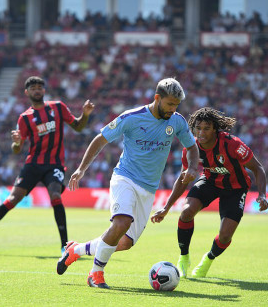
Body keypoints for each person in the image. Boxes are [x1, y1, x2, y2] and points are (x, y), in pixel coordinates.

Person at [56, 78, 199, 289]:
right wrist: (81, 169)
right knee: (121, 224)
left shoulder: (177, 121)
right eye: (170, 104)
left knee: (124, 242)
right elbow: (100, 139)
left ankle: (75, 250)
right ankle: (96, 274)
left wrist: (193, 168)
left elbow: (193, 148)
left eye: (176, 105)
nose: (173, 108)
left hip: (148, 189)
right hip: (125, 178)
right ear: (157, 98)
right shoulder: (132, 117)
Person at [0, 76, 95, 254]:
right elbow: (17, 149)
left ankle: (64, 246)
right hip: (32, 165)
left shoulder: (58, 107)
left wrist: (84, 115)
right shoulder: (25, 118)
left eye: (40, 87)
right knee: (13, 199)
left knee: (55, 195)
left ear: (44, 90)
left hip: (54, 164)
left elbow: (78, 126)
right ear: (27, 92)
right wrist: (16, 142)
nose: (37, 90)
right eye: (33, 88)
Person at [151, 107, 268, 278]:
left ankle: (208, 259)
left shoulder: (233, 144)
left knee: (225, 235)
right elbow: (183, 178)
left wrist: (262, 194)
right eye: (198, 128)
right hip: (210, 181)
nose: (201, 132)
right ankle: (184, 257)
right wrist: (166, 207)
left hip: (236, 188)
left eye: (206, 128)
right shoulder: (191, 148)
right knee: (186, 212)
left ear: (215, 129)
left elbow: (258, 168)